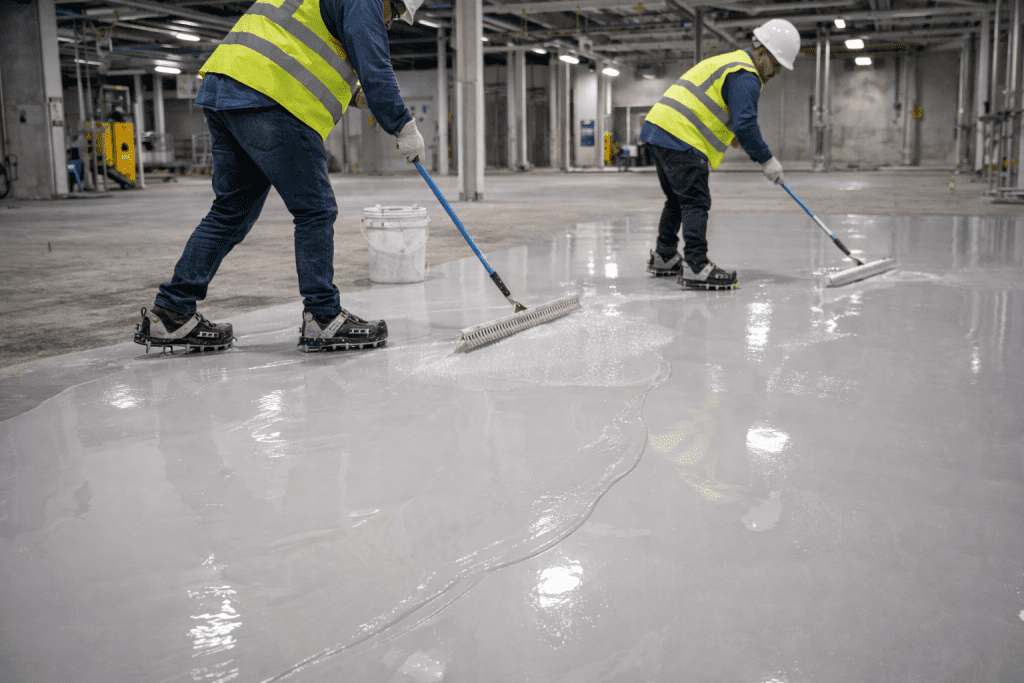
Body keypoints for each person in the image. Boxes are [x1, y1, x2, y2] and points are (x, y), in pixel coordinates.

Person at [134, 0, 425, 353]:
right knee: (315, 210)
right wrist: (403, 125)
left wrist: (354, 94)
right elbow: (375, 66)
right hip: (273, 96)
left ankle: (172, 312)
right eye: (395, 13)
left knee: (231, 210)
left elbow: (298, 46)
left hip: (227, 87)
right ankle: (323, 317)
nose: (390, 23)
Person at [643, 18, 800, 290]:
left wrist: (735, 137)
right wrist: (767, 160)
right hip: (682, 135)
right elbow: (746, 124)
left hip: (658, 129)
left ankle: (665, 256)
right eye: (776, 64)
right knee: (695, 201)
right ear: (762, 51)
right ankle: (696, 266)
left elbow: (727, 116)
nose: (776, 72)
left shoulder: (732, 63)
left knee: (677, 199)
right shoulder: (746, 75)